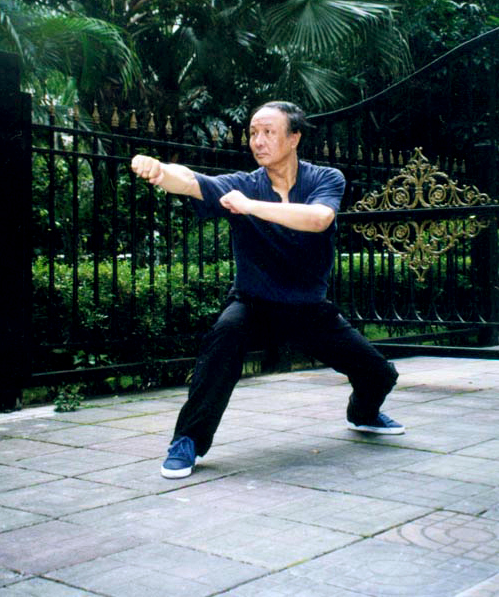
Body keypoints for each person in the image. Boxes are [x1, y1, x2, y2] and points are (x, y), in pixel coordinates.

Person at [131, 100, 404, 479]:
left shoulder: (325, 178)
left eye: (268, 132)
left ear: (294, 138)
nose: (257, 141)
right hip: (253, 304)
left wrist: (249, 206)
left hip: (308, 309)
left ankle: (363, 412)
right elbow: (191, 181)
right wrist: (161, 170)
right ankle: (188, 440)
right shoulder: (242, 184)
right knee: (222, 339)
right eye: (253, 133)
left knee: (380, 374)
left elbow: (319, 219)